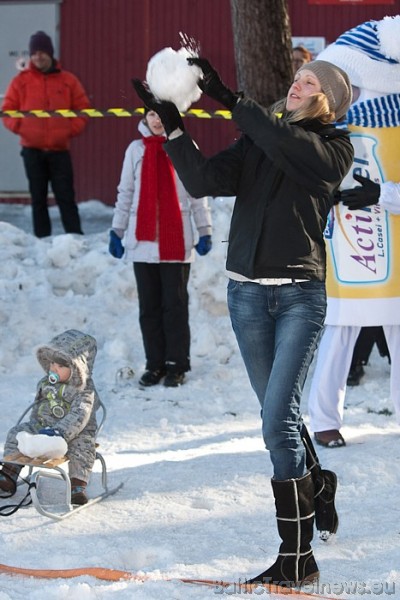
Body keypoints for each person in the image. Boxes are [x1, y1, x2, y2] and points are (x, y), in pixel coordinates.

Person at [133, 55, 353, 587]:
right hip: (247, 298)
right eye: (295, 77)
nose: (297, 84)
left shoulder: (332, 148)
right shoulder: (261, 138)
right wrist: (175, 123)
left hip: (299, 298)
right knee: (281, 413)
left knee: (277, 422)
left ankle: (296, 559)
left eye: (308, 82)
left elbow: (288, 145)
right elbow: (205, 180)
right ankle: (317, 481)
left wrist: (230, 99)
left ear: (326, 99)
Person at [306, 17, 400, 448]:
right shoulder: (326, 125)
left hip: (395, 241)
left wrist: (384, 194)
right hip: (346, 239)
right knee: (340, 328)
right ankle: (324, 419)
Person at [108, 108, 212, 388]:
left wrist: (205, 230)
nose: (157, 121)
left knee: (175, 306)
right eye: (152, 114)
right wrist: (117, 231)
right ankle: (154, 364)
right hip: (142, 242)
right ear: (144, 117)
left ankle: (176, 364)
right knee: (149, 307)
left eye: (162, 115)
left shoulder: (185, 147)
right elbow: (125, 192)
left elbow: (196, 192)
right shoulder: (135, 150)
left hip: (176, 239)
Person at [1, 31, 90, 238]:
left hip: (59, 151)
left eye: (42, 52)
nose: (38, 56)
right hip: (32, 151)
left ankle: (75, 239)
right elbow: (7, 110)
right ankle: (42, 240)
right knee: (38, 199)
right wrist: (19, 127)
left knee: (66, 197)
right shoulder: (20, 82)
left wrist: (71, 129)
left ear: (50, 53)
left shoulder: (68, 81)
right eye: (34, 53)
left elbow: (83, 108)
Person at [0, 330, 100, 505]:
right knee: (16, 432)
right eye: (52, 363)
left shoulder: (84, 390)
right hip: (43, 426)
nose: (53, 368)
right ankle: (9, 473)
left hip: (75, 433)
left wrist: (59, 432)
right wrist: (34, 427)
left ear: (77, 368)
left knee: (83, 447)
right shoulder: (46, 383)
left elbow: (80, 415)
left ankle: (77, 486)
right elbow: (38, 406)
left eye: (60, 366)